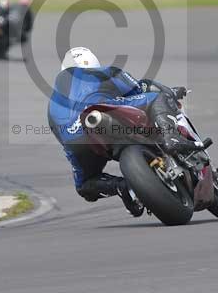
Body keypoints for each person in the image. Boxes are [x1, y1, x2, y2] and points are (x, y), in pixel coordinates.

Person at [47, 47, 198, 216]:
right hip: (104, 109)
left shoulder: (53, 101)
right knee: (157, 98)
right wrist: (169, 92)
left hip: (75, 137)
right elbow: (141, 88)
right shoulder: (104, 72)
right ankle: (172, 138)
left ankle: (122, 187)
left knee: (85, 184)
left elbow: (60, 135)